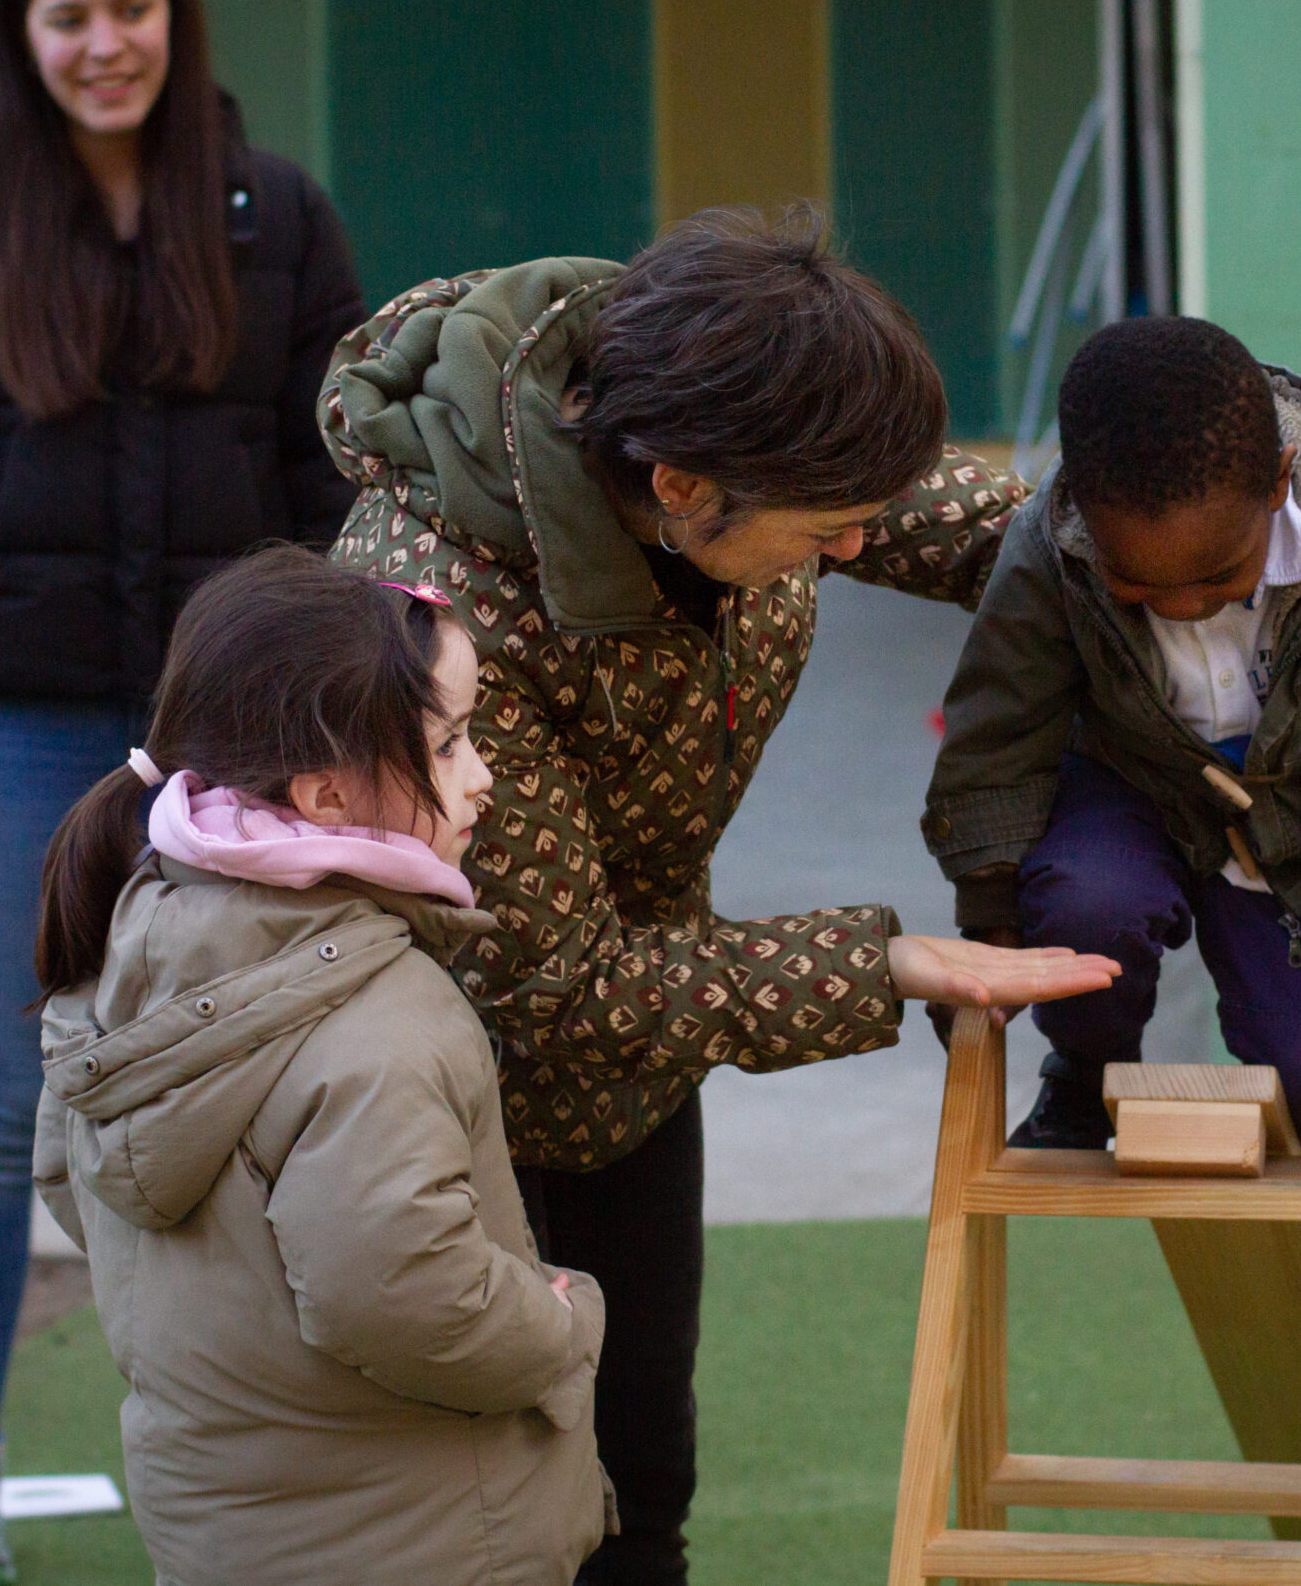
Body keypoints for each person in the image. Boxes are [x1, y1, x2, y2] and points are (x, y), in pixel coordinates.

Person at [323, 206, 1120, 1583]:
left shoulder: (730, 425)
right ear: (684, 487)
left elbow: (961, 521)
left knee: (640, 1478)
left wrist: (1207, 553)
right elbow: (559, 992)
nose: (858, 550)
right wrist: (884, 966)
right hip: (444, 1099)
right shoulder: (448, 616)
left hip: (637, 1060)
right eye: (826, 532)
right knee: (503, 1511)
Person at [0, 0, 366, 1579]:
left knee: (258, 1090)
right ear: (23, 40)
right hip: (4, 727)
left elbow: (336, 481)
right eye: (66, 18)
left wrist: (354, 714)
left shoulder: (274, 213)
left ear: (172, 14)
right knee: (0, 1105)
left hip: (233, 732)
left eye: (127, 8)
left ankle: (266, 1440)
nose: (102, 44)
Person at [31, 550, 612, 1586]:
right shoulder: (383, 1020)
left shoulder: (138, 934)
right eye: (449, 743)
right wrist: (559, 1322)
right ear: (326, 793)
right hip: (425, 1538)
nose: (482, 775)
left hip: (225, 1530)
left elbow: (70, 1178)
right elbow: (400, 1295)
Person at [923, 315, 1301, 1158]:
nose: (1178, 605)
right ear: (1085, 519)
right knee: (1083, 911)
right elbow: (1001, 719)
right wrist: (991, 926)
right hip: (1126, 784)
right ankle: (1084, 1074)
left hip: (1287, 816)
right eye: (1134, 581)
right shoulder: (1053, 541)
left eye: (1217, 577)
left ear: (1279, 481)